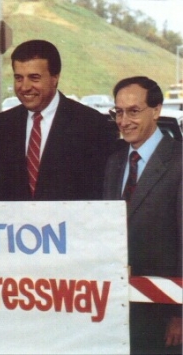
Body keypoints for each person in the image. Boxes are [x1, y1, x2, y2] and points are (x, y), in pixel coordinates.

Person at [104, 76, 182, 354]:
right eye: (119, 112)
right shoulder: (114, 163)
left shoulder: (179, 161)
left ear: (157, 110)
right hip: (118, 310)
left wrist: (180, 315)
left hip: (164, 315)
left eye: (134, 111)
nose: (124, 121)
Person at [0, 40, 110, 201]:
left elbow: (98, 192)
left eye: (34, 78)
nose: (25, 87)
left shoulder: (91, 124)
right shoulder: (4, 124)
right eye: (19, 78)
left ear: (55, 78)